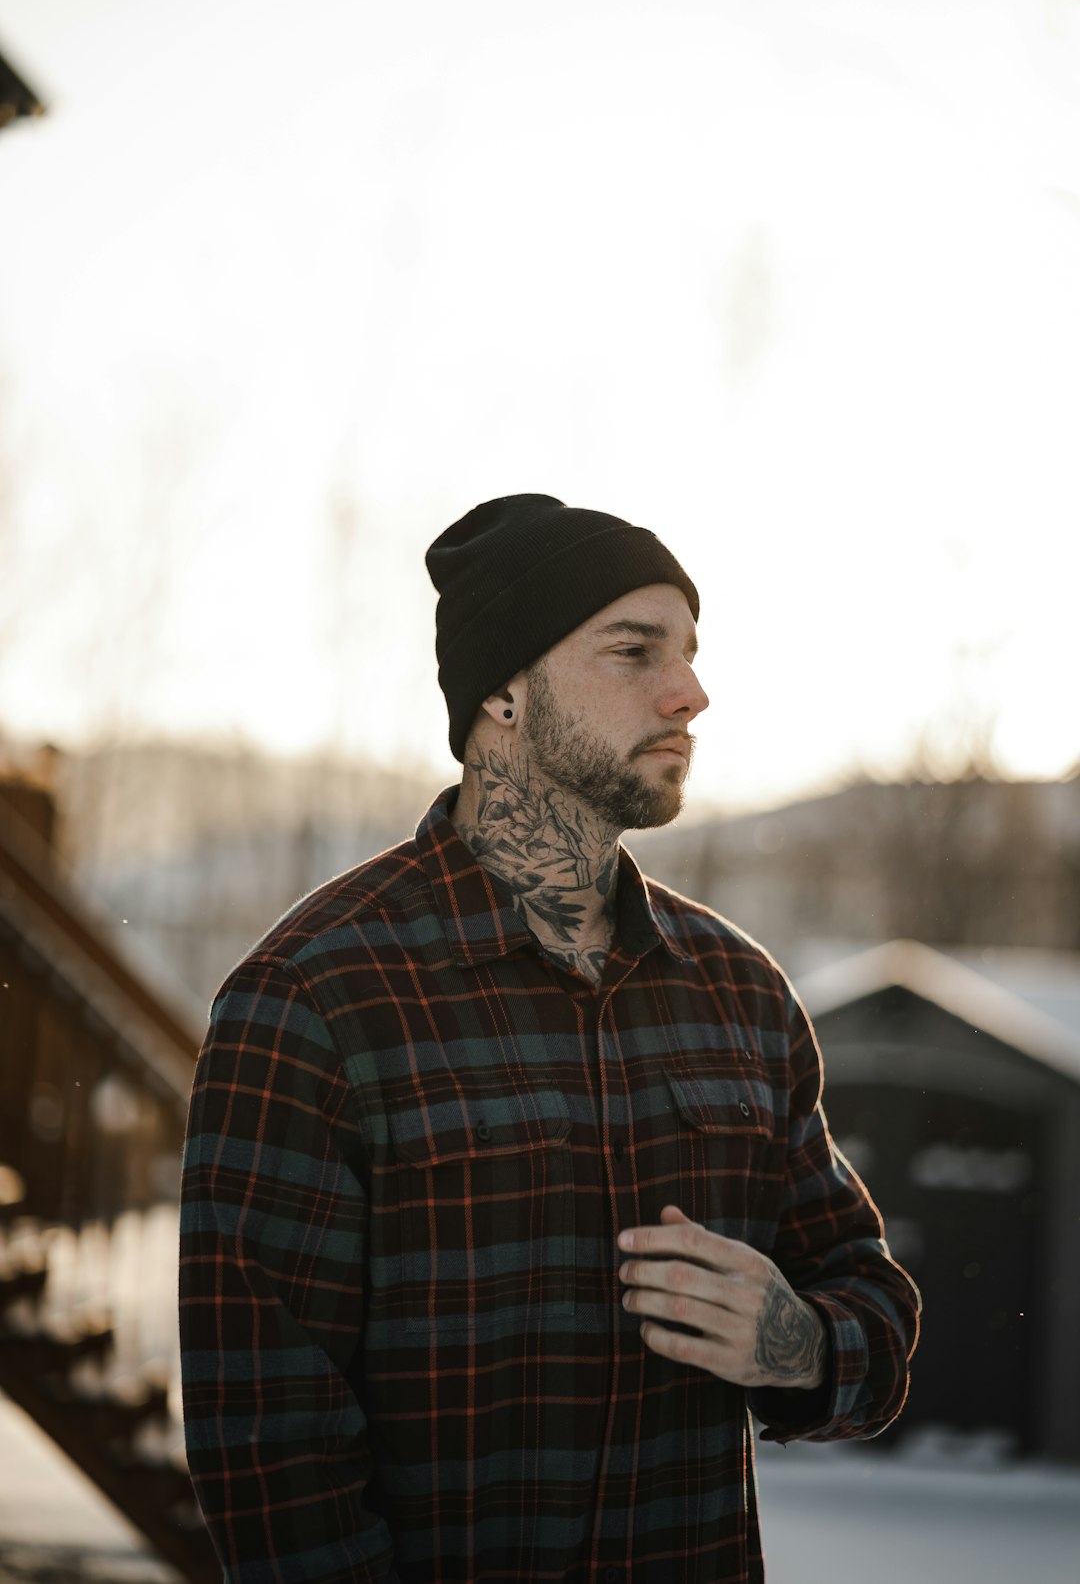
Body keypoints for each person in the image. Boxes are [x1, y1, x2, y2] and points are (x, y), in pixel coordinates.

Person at [179, 493, 920, 1584]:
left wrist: (800, 1345)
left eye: (692, 653)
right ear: (502, 692)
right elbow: (268, 1456)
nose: (692, 692)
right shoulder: (317, 1000)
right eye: (636, 651)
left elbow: (873, 1305)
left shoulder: (739, 996)